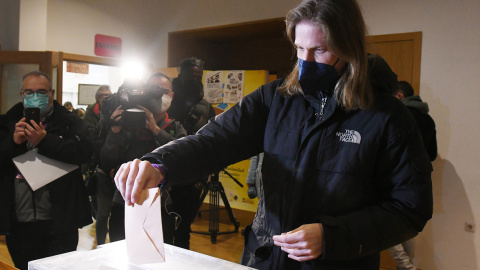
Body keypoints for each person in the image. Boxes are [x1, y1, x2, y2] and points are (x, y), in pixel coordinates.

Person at [114, 0, 433, 269]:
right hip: (266, 257)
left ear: (348, 50)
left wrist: (332, 235)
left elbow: (410, 208)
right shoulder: (274, 99)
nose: (305, 63)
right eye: (299, 49)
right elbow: (213, 141)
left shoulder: (387, 118)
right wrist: (158, 164)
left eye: (320, 50)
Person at [0, 71, 93, 270]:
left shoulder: (70, 122)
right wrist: (13, 143)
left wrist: (45, 141)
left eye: (41, 92)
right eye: (29, 92)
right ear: (21, 94)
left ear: (51, 93)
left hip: (59, 221)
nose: (35, 96)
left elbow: (85, 152)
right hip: (19, 223)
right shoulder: (6, 124)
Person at [100, 73, 187, 242]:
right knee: (120, 255)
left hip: (161, 203)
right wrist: (115, 132)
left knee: (160, 257)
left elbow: (182, 155)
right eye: (155, 91)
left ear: (172, 95)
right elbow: (107, 161)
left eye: (165, 91)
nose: (160, 95)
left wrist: (156, 130)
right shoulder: (127, 124)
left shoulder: (175, 126)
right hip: (124, 201)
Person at [165, 57, 216, 249]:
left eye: (198, 75)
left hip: (191, 181)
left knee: (183, 232)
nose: (195, 79)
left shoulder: (205, 107)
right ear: (180, 75)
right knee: (163, 231)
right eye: (190, 75)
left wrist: (202, 179)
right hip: (165, 177)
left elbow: (211, 144)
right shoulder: (167, 101)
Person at [389, 81, 438, 270]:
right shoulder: (428, 118)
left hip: (396, 177)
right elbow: (432, 154)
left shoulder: (401, 116)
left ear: (399, 96)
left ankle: (406, 266)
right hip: (418, 180)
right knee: (406, 224)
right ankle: (407, 265)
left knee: (384, 224)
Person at [82, 85, 113, 245]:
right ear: (97, 98)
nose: (106, 98)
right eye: (102, 95)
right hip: (99, 167)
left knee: (114, 211)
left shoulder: (117, 111)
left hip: (117, 167)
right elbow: (90, 138)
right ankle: (101, 245)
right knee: (101, 212)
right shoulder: (90, 114)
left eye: (109, 95)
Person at [168, 57, 216, 135]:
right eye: (190, 76)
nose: (195, 81)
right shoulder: (168, 103)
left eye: (198, 77)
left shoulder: (207, 108)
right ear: (180, 77)